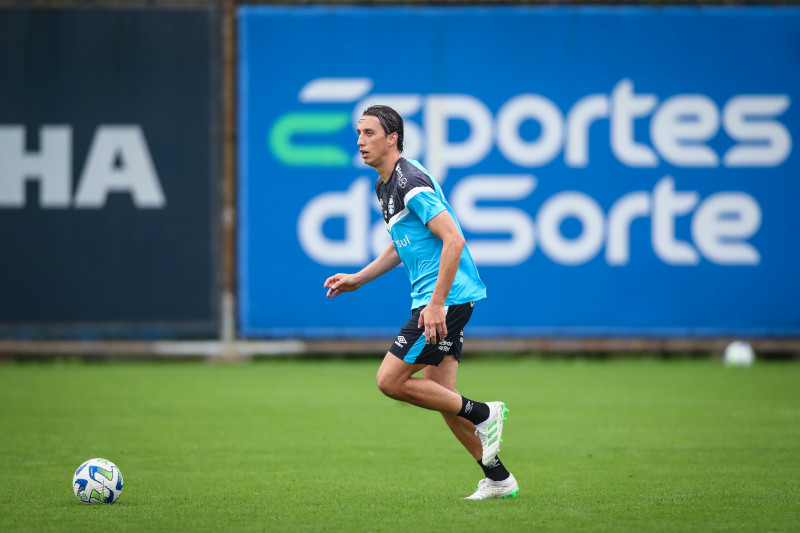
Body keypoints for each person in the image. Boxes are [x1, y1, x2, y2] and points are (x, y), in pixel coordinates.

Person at [323, 105, 518, 500]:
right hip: (441, 300)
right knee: (441, 395)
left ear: (392, 137)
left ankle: (485, 413)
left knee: (389, 381)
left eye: (369, 133)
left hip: (447, 300)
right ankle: (498, 478)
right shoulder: (385, 184)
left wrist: (436, 304)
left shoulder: (410, 181)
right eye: (358, 134)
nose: (360, 141)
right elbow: (402, 245)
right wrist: (359, 278)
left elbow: (454, 239)